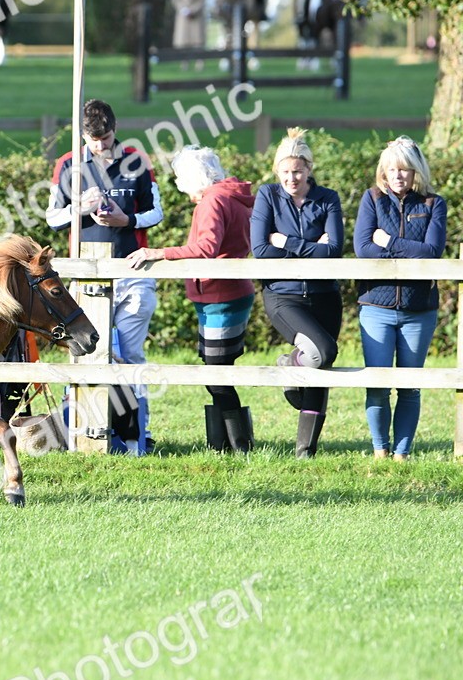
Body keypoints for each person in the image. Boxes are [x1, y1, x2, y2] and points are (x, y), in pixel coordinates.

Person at [46, 99, 163, 449]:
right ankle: (83, 431)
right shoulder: (68, 165)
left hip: (132, 269)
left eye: (106, 138)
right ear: (82, 135)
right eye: (93, 139)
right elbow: (52, 218)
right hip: (86, 273)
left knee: (130, 355)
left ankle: (136, 436)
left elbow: (156, 213)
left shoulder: (137, 162)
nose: (100, 145)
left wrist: (126, 220)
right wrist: (78, 208)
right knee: (85, 351)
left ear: (115, 130)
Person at [127, 146, 255, 452]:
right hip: (227, 293)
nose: (180, 187)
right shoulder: (230, 196)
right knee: (218, 372)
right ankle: (225, 444)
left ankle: (238, 446)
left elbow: (206, 247)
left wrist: (159, 252)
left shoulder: (213, 200)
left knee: (216, 375)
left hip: (220, 296)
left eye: (180, 179)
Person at [250, 127, 343, 458]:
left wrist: (287, 242)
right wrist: (310, 248)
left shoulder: (327, 198)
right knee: (323, 351)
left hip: (324, 296)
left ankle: (306, 452)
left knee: (322, 367)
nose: (292, 178)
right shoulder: (268, 196)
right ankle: (291, 364)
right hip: (283, 295)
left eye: (298, 171)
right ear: (277, 171)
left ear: (309, 170)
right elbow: (260, 249)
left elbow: (334, 250)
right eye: (286, 172)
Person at [354, 137, 446, 462]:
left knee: (410, 385)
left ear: (416, 171)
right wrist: (406, 250)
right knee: (377, 383)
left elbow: (432, 253)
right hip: (375, 306)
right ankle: (380, 450)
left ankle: (402, 453)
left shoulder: (434, 204)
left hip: (419, 309)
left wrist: (389, 241)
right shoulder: (372, 199)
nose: (397, 176)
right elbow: (364, 248)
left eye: (404, 169)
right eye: (391, 169)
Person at [170, 0, 207, 68]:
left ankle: (199, 63)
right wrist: (183, 9)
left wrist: (194, 9)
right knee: (183, 41)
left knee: (198, 41)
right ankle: (184, 62)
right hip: (183, 15)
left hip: (197, 15)